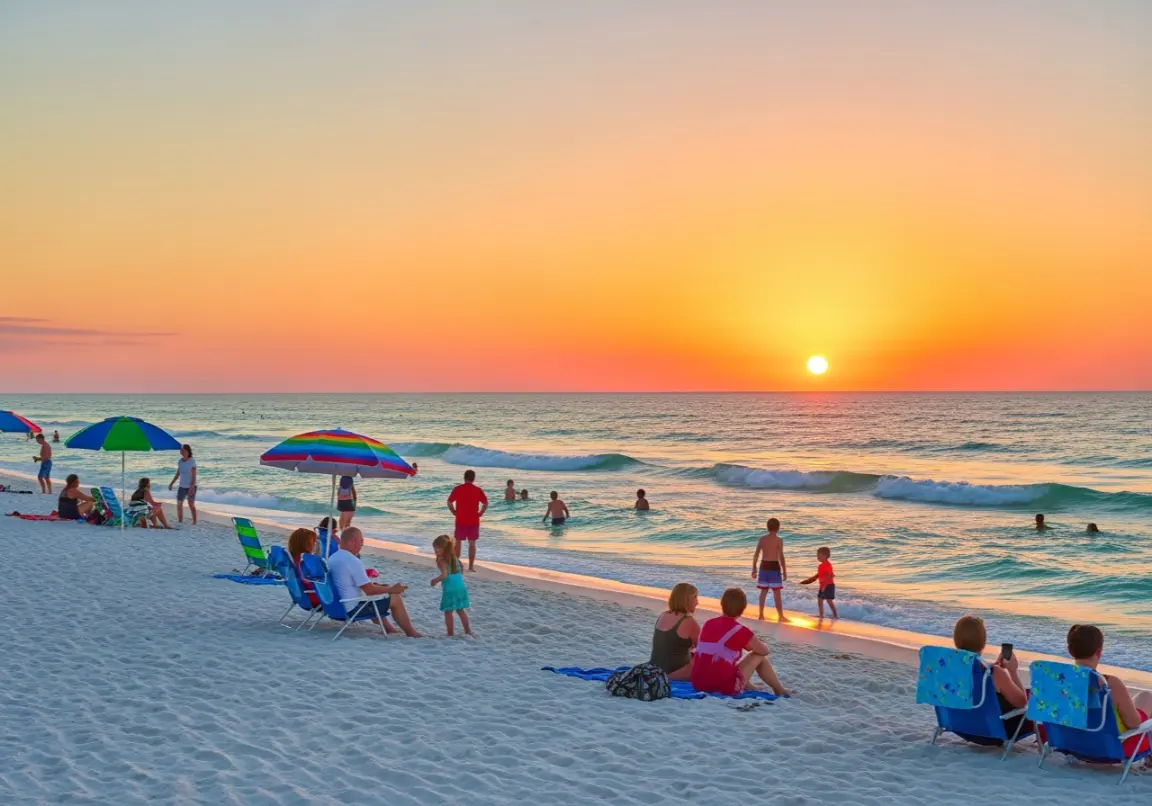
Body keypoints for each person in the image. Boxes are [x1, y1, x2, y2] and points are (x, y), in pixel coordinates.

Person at [1067, 624, 1152, 759]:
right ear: (1099, 652)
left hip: (1069, 743)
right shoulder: (1109, 683)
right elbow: (1134, 723)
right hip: (1108, 748)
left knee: (1143, 697)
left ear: (1070, 650)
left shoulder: (1059, 680)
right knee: (1148, 700)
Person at [691, 588, 792, 696]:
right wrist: (758, 644)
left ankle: (751, 686)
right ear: (742, 608)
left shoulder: (708, 623)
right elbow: (764, 651)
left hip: (698, 682)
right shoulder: (740, 630)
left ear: (722, 604)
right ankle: (779, 690)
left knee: (725, 663)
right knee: (759, 655)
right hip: (720, 686)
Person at [327, 527, 421, 637]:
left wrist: (381, 588)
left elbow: (358, 585)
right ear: (352, 541)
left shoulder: (333, 558)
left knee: (376, 595)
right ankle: (412, 633)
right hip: (351, 608)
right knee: (395, 597)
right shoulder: (353, 561)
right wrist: (392, 590)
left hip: (336, 606)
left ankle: (389, 629)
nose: (362, 545)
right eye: (361, 541)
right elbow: (370, 590)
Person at [952, 615, 1030, 743]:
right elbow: (1022, 703)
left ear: (956, 639)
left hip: (960, 727)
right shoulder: (995, 674)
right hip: (991, 732)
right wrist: (1012, 671)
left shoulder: (950, 667)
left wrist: (990, 666)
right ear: (983, 642)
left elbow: (974, 672)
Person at [649, 583, 701, 680]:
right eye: (695, 598)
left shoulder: (663, 615)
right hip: (673, 673)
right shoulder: (689, 622)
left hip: (654, 668)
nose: (697, 602)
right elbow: (704, 652)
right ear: (687, 600)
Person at [430, 534, 473, 637]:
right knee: (461, 610)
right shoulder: (455, 558)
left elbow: (444, 575)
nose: (436, 551)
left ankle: (450, 633)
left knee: (448, 612)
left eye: (438, 549)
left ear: (445, 548)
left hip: (450, 590)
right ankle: (468, 631)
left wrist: (435, 580)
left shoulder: (442, 561)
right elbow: (461, 569)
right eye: (435, 548)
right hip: (461, 588)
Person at [447, 469, 488, 572]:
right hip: (473, 520)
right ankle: (471, 566)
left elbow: (449, 502)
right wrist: (481, 513)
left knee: (458, 542)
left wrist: (453, 511)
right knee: (472, 544)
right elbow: (485, 503)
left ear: (464, 477)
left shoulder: (457, 489)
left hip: (460, 519)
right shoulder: (478, 490)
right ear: (473, 479)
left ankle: (456, 565)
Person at [752, 517, 787, 621]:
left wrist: (754, 568)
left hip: (763, 566)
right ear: (778, 528)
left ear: (767, 527)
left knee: (763, 592)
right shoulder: (779, 540)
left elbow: (756, 555)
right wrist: (784, 571)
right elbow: (781, 557)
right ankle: (780, 616)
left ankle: (761, 615)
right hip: (774, 567)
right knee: (777, 593)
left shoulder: (762, 539)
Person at [800, 546, 838, 618]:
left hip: (828, 585)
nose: (817, 557)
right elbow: (820, 574)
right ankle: (821, 615)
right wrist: (811, 579)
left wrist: (824, 586)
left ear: (825, 556)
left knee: (829, 601)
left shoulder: (827, 565)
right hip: (823, 585)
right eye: (817, 555)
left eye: (818, 555)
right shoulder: (821, 565)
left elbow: (831, 575)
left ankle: (835, 615)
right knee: (820, 600)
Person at [287, 528, 320, 607]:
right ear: (305, 543)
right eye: (313, 541)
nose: (315, 543)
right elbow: (309, 581)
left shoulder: (291, 560)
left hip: (301, 597)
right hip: (315, 598)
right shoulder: (304, 562)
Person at [168, 444, 197, 525]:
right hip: (182, 486)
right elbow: (178, 474)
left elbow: (194, 475)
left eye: (183, 450)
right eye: (181, 450)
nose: (181, 451)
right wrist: (171, 483)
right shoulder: (180, 461)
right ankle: (180, 521)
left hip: (191, 486)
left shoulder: (192, 461)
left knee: (191, 504)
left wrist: (192, 486)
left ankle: (194, 521)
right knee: (179, 503)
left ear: (188, 451)